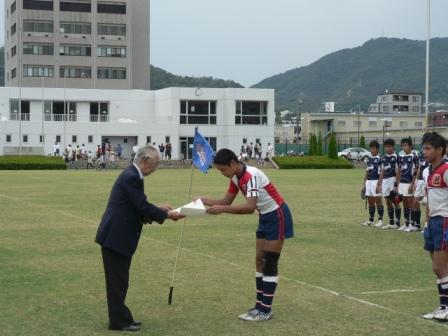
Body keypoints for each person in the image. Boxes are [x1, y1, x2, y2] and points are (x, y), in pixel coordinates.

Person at [197, 149, 294, 321]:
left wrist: (222, 210)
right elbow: (226, 201)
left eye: (222, 170)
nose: (222, 174)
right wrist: (203, 200)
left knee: (269, 262)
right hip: (265, 216)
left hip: (277, 215)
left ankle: (265, 310)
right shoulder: (235, 176)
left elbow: (249, 208)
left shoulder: (251, 175)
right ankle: (258, 306)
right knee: (259, 260)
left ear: (233, 164)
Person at [95, 145, 184, 331]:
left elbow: (137, 207)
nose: (156, 168)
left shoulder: (133, 175)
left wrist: (159, 210)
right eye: (155, 163)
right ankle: (119, 321)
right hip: (115, 238)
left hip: (118, 237)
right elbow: (142, 207)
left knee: (120, 281)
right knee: (117, 282)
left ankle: (123, 318)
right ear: (144, 162)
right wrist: (166, 215)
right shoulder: (131, 177)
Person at [421, 132, 448, 320]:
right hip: (433, 222)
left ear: (440, 150)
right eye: (423, 148)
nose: (424, 152)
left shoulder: (446, 170)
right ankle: (443, 307)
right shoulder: (430, 170)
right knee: (439, 268)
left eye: (428, 148)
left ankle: (446, 308)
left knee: (439, 267)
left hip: (444, 221)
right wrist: (427, 220)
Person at [376, 138, 400, 229]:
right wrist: (379, 183)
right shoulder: (384, 158)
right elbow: (382, 171)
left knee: (395, 201)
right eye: (385, 146)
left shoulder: (396, 156)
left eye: (389, 146)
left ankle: (397, 223)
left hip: (392, 179)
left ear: (393, 147)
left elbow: (398, 171)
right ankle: (391, 222)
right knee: (387, 201)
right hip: (385, 181)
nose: (387, 148)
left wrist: (396, 184)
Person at [396, 138, 419, 231]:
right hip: (402, 183)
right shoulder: (401, 157)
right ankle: (406, 223)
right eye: (403, 145)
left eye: (406, 145)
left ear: (410, 146)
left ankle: (412, 224)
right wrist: (397, 184)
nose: (404, 147)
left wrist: (412, 184)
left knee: (411, 203)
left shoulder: (414, 156)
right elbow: (400, 171)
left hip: (409, 183)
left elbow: (417, 170)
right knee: (404, 203)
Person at [361, 140, 383, 227]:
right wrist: (364, 184)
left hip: (376, 181)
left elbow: (382, 172)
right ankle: (371, 219)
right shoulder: (369, 159)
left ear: (377, 149)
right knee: (370, 200)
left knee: (378, 200)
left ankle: (380, 220)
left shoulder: (380, 159)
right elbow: (367, 172)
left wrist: (379, 184)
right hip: (369, 181)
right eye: (371, 148)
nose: (372, 150)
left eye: (373, 148)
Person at [410, 149, 429, 232]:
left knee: (428, 205)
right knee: (415, 202)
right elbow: (419, 168)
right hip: (420, 180)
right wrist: (416, 181)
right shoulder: (421, 154)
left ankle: (426, 225)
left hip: (427, 180)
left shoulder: (433, 153)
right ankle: (416, 225)